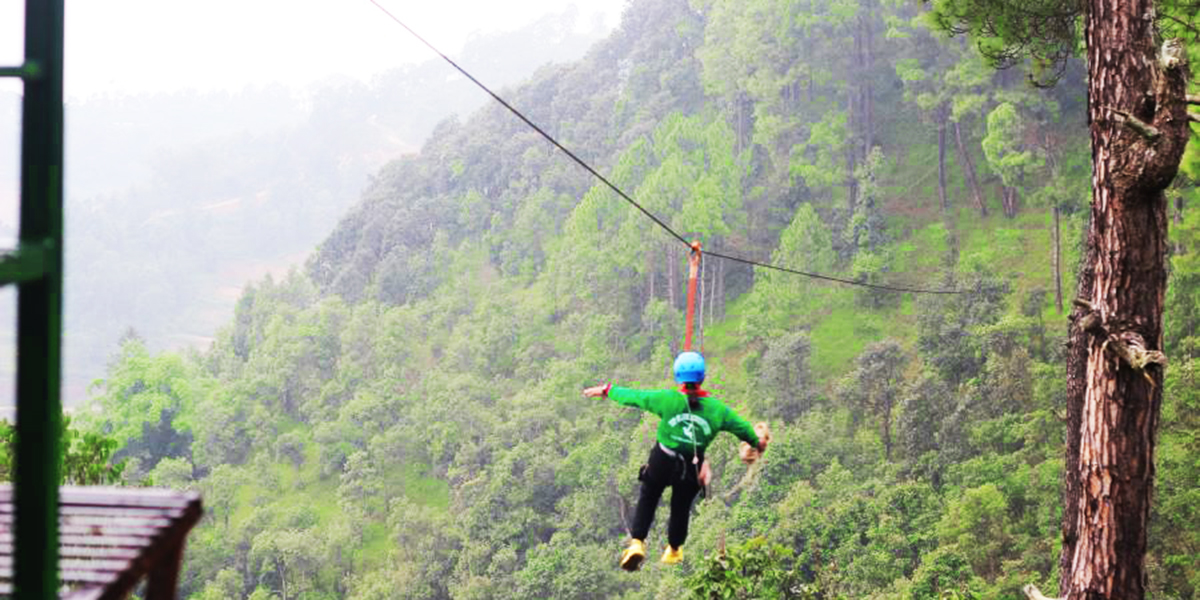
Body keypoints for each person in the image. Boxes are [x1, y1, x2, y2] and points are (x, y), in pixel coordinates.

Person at [583, 351, 769, 571]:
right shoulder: (719, 411)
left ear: (677, 376)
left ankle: (637, 543)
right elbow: (745, 430)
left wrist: (607, 390)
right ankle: (673, 549)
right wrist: (758, 444)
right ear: (703, 377)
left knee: (649, 494)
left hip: (663, 458)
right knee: (680, 506)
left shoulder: (667, 399)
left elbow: (635, 397)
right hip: (692, 465)